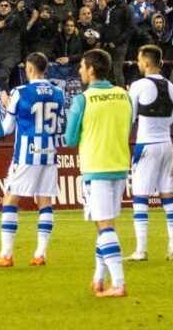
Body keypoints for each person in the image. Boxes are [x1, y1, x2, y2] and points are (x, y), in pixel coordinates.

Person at [0, 53, 65, 268]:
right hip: (49, 152)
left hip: (27, 153)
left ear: (29, 69)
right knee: (45, 201)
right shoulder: (58, 93)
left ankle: (6, 255)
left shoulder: (20, 93)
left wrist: (6, 105)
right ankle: (40, 253)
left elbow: (8, 128)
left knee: (10, 200)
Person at [63, 49, 133, 298]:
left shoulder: (83, 100)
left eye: (82, 66)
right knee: (105, 225)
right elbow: (128, 124)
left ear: (91, 70)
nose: (80, 70)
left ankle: (119, 283)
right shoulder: (125, 96)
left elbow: (69, 139)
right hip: (120, 165)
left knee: (104, 227)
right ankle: (98, 278)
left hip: (96, 166)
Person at [125, 44, 173, 261]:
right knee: (168, 195)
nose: (138, 64)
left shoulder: (139, 85)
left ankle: (141, 249)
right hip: (166, 144)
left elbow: (129, 118)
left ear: (147, 62)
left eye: (139, 60)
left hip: (146, 144)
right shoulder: (171, 86)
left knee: (140, 196)